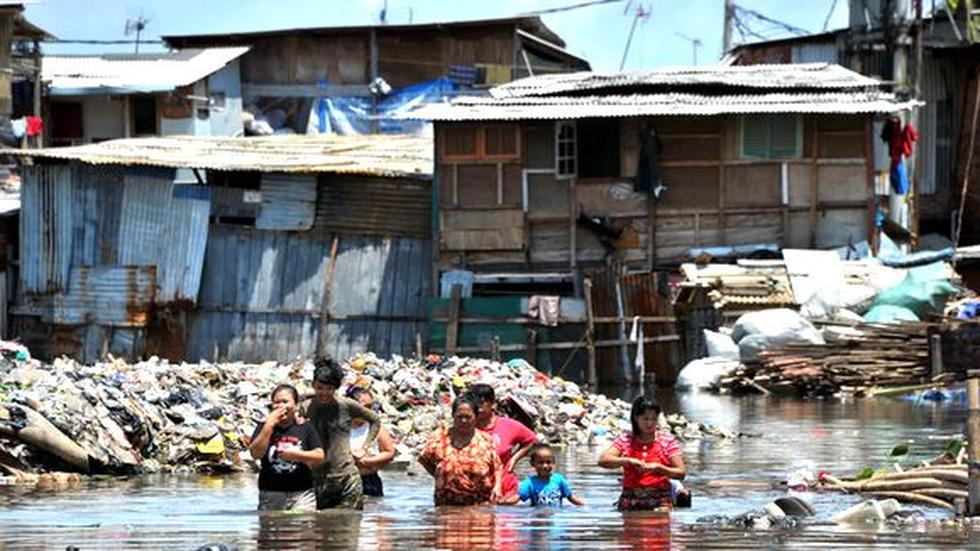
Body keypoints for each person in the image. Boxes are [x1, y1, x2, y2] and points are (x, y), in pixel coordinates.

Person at [305, 357, 381, 510]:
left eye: (329, 389)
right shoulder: (306, 408)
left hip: (347, 478)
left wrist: (364, 448)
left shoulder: (346, 405)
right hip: (318, 479)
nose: (324, 393)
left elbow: (375, 420)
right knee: (319, 528)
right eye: (320, 388)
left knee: (349, 528)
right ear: (313, 385)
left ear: (336, 388)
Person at [598, 396, 686, 511]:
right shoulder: (626, 439)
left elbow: (681, 472)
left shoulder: (667, 441)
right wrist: (628, 460)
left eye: (654, 419)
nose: (650, 424)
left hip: (660, 504)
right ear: (636, 418)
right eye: (645, 419)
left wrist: (659, 468)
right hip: (629, 503)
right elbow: (603, 460)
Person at [248, 383, 324, 512]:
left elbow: (319, 456)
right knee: (271, 530)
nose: (280, 406)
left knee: (303, 528)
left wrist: (297, 455)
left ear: (295, 405)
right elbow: (256, 454)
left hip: (302, 494)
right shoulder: (263, 427)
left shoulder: (305, 427)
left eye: (285, 401)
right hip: (271, 493)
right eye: (276, 402)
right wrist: (269, 425)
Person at [417, 393, 502, 506]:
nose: (463, 421)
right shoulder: (440, 438)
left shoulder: (486, 440)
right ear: (453, 416)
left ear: (476, 417)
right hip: (445, 505)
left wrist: (497, 487)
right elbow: (424, 459)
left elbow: (497, 467)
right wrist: (441, 474)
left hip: (479, 505)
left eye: (468, 417)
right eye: (459, 416)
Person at [468, 383, 538, 502]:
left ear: (492, 404)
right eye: (473, 403)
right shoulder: (466, 428)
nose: (477, 408)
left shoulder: (508, 425)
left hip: (506, 488)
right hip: (476, 490)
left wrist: (514, 459)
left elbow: (532, 440)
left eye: (481, 403)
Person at [347, 387, 397, 497]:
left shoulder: (375, 427)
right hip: (345, 481)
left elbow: (389, 452)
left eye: (369, 407)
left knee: (373, 511)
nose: (367, 412)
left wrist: (367, 461)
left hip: (369, 481)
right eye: (363, 407)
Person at [504, 443, 585, 507]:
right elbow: (517, 498)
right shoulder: (529, 483)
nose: (545, 466)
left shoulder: (559, 480)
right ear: (533, 464)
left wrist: (584, 505)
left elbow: (570, 497)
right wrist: (503, 502)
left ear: (554, 462)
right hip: (537, 517)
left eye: (548, 462)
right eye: (540, 463)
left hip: (556, 520)